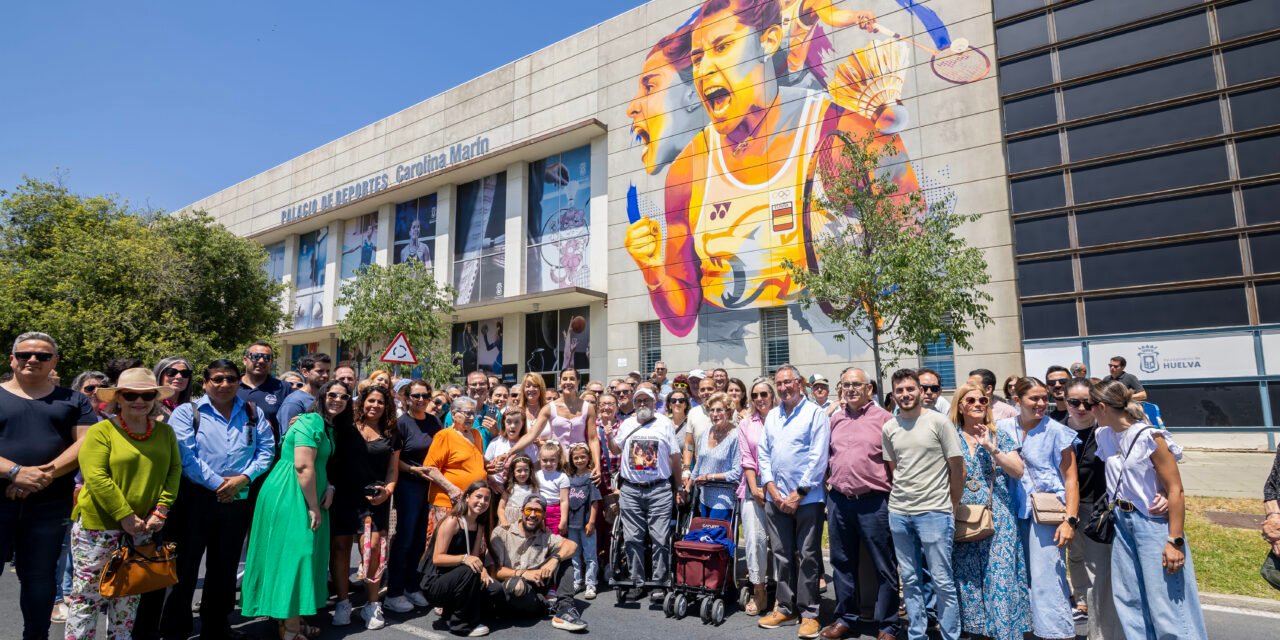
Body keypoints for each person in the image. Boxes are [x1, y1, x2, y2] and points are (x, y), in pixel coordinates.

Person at [152, 360, 274, 640]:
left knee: (225, 565)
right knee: (185, 565)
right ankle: (176, 628)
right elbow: (186, 456)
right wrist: (220, 484)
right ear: (205, 383)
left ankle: (216, 626)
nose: (224, 384)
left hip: (238, 495)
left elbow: (266, 450)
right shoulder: (187, 412)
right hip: (195, 498)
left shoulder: (253, 412)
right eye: (217, 379)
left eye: (230, 379)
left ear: (238, 382)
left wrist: (244, 478)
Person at [66, 368, 182, 640]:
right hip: (99, 526)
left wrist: (161, 510)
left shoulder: (165, 432)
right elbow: (96, 476)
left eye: (147, 395)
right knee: (88, 596)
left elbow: (174, 470)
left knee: (128, 595)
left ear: (155, 398)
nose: (139, 401)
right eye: (130, 395)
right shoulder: (101, 431)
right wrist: (124, 514)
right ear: (118, 397)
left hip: (144, 525)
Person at [1090, 380, 1205, 639]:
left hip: (1152, 522)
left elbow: (1175, 489)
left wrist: (1174, 540)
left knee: (1168, 603)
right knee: (1130, 599)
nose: (1087, 410)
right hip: (1121, 521)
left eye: (1090, 405)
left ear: (1101, 406)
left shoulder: (1150, 437)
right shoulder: (1104, 435)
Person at [1, 332, 97, 640]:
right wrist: (15, 472)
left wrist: (41, 476)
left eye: (42, 356)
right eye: (24, 354)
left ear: (54, 361)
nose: (33, 360)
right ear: (12, 359)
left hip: (49, 503)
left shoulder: (75, 400)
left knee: (40, 578)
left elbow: (86, 443)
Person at [241, 381, 346, 640]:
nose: (338, 400)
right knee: (297, 556)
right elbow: (303, 466)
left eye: (344, 396)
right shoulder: (312, 421)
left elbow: (319, 464)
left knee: (297, 557)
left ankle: (293, 620)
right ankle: (289, 629)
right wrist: (313, 507)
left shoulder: (325, 425)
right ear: (321, 397)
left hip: (304, 490)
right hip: (291, 492)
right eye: (332, 394)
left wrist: (328, 485)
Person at [881, 368, 965, 640]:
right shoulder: (889, 427)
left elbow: (957, 468)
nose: (905, 394)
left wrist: (952, 504)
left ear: (919, 390)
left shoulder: (939, 422)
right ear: (893, 395)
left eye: (910, 389)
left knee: (942, 580)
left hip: (934, 512)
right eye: (899, 390)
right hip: (899, 512)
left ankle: (950, 635)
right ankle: (917, 634)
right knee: (910, 579)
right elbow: (895, 469)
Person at [998, 377, 1079, 640]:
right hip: (1011, 510)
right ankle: (1027, 630)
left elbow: (1071, 479)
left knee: (1048, 576)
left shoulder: (1057, 431)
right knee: (1018, 575)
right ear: (1017, 400)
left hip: (1046, 511)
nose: (1041, 403)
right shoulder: (1002, 428)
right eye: (1034, 398)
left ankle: (1056, 633)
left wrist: (1070, 520)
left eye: (1044, 398)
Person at [822, 367, 900, 640]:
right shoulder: (835, 419)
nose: (851, 389)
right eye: (846, 385)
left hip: (874, 503)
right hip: (839, 501)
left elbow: (896, 462)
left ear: (869, 389)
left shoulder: (885, 419)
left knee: (883, 565)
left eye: (856, 384)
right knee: (842, 562)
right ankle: (846, 618)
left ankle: (888, 624)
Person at [949, 383, 1030, 640]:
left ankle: (1004, 632)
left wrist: (990, 448)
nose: (977, 405)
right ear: (960, 406)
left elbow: (1018, 471)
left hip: (998, 515)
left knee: (1000, 576)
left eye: (982, 400)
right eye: (970, 400)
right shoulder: (950, 436)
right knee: (968, 575)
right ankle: (978, 632)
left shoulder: (998, 435)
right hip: (962, 515)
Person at [757, 365, 829, 637]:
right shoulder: (773, 416)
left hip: (807, 499)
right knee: (782, 555)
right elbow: (763, 453)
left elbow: (818, 457)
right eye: (779, 383)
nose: (784, 387)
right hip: (775, 499)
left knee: (808, 556)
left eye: (788, 382)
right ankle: (785, 608)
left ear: (799, 383)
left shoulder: (815, 414)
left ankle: (809, 613)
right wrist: (771, 488)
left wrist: (799, 493)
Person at [330, 384, 402, 629]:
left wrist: (388, 491)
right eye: (371, 400)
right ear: (362, 402)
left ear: (387, 405)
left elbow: (392, 469)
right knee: (340, 548)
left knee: (372, 549)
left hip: (375, 498)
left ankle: (372, 604)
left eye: (380, 402)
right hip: (343, 496)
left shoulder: (392, 431)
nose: (375, 405)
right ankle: (342, 603)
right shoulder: (345, 426)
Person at [605, 386, 682, 601]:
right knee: (632, 538)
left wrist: (678, 486)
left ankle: (659, 582)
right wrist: (609, 435)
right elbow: (615, 449)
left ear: (654, 402)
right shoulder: (628, 424)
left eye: (646, 400)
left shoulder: (664, 423)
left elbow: (675, 457)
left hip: (659, 489)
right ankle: (636, 581)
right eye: (638, 401)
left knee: (660, 538)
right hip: (631, 489)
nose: (642, 404)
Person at [1062, 378, 1124, 638]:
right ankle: (1079, 603)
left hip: (1096, 508)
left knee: (1097, 572)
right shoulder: (1056, 429)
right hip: (1062, 508)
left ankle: (1099, 632)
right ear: (1065, 402)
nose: (1081, 408)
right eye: (1074, 402)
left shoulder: (1107, 431)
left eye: (1087, 403)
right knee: (1074, 558)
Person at [486, 495, 589, 631]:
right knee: (516, 585)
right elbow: (493, 571)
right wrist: (523, 573)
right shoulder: (502, 533)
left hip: (537, 584)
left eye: (538, 511)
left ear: (544, 515)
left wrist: (554, 560)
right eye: (529, 510)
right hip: (511, 585)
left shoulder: (545, 535)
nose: (533, 515)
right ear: (522, 511)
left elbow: (572, 545)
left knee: (564, 558)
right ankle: (545, 605)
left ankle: (565, 608)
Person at [385, 380, 444, 614]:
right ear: (406, 398)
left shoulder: (434, 422)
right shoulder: (400, 424)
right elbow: (393, 460)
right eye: (416, 396)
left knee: (420, 539)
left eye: (425, 396)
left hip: (428, 486)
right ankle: (394, 592)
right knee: (405, 538)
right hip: (408, 485)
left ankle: (411, 586)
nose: (421, 400)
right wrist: (413, 470)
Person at [420, 481, 495, 637]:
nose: (482, 502)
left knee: (494, 589)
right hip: (436, 583)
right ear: (467, 497)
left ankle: (450, 612)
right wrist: (464, 558)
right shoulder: (452, 521)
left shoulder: (479, 525)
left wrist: (483, 570)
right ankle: (461, 625)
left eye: (486, 499)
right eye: (478, 496)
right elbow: (437, 558)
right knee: (469, 569)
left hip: (458, 577)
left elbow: (474, 558)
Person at [515, 368, 601, 475]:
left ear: (578, 382)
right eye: (564, 379)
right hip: (557, 464)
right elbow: (531, 435)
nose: (568, 382)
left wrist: (597, 465)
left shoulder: (588, 407)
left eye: (572, 379)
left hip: (580, 464)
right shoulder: (549, 408)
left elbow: (593, 439)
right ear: (560, 382)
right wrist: (509, 453)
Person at [422, 397, 488, 534]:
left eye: (473, 413)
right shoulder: (444, 436)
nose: (471, 417)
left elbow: (475, 461)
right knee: (444, 542)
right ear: (453, 414)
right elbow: (430, 468)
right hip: (449, 501)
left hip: (473, 504)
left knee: (468, 543)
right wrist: (452, 489)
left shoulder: (476, 434)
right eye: (467, 413)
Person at [738, 378, 774, 616]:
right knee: (754, 541)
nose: (759, 399)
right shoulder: (746, 424)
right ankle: (759, 590)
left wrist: (771, 489)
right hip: (753, 487)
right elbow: (746, 458)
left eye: (764, 394)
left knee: (782, 544)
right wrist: (755, 488)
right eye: (755, 395)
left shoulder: (781, 418)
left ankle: (783, 592)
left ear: (772, 395)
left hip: (780, 488)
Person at [686, 392, 740, 519]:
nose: (715, 414)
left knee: (715, 532)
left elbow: (737, 473)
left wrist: (709, 477)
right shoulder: (707, 432)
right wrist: (688, 486)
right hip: (704, 497)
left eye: (719, 410)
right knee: (702, 531)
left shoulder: (735, 436)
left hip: (724, 499)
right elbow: (700, 463)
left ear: (728, 412)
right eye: (712, 410)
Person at [565, 442, 601, 599]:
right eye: (576, 458)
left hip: (586, 523)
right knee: (574, 554)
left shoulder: (591, 477)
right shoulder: (569, 478)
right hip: (572, 524)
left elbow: (594, 502)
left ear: (588, 458)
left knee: (590, 555)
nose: (579, 460)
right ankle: (577, 581)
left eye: (582, 457)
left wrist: (591, 522)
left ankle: (591, 583)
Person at [238, 341, 289, 436]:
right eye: (255, 356)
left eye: (267, 357)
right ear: (245, 360)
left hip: (271, 445)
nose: (261, 361)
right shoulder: (231, 387)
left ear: (271, 362)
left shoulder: (283, 388)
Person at [277, 353, 332, 431]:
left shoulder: (327, 398)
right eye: (320, 371)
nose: (325, 375)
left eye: (328, 371)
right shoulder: (294, 402)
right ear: (305, 372)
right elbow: (289, 434)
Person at [536, 441, 570, 534]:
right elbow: (535, 496)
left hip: (555, 513)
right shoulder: (536, 475)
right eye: (545, 460)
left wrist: (563, 520)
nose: (548, 463)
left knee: (555, 539)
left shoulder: (562, 477)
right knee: (539, 537)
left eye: (552, 460)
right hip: (539, 510)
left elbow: (564, 501)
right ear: (539, 459)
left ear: (558, 460)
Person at [498, 455, 539, 527]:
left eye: (526, 470)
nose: (523, 473)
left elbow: (538, 507)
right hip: (509, 521)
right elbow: (501, 507)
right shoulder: (509, 487)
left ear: (530, 471)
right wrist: (503, 520)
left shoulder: (533, 488)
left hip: (527, 520)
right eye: (519, 471)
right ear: (513, 472)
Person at [152, 357, 194, 421]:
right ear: (160, 375)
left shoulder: (193, 410)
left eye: (185, 373)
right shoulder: (149, 407)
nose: (179, 376)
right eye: (171, 372)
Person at [517, 373, 548, 439]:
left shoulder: (549, 410)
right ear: (523, 389)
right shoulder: (517, 410)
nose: (531, 389)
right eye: (528, 386)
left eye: (535, 386)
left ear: (541, 389)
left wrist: (541, 443)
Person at [666, 388, 692, 452]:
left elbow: (691, 447)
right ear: (669, 405)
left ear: (685, 405)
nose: (677, 403)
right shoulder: (664, 424)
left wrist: (689, 452)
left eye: (681, 401)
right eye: (673, 401)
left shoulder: (691, 424)